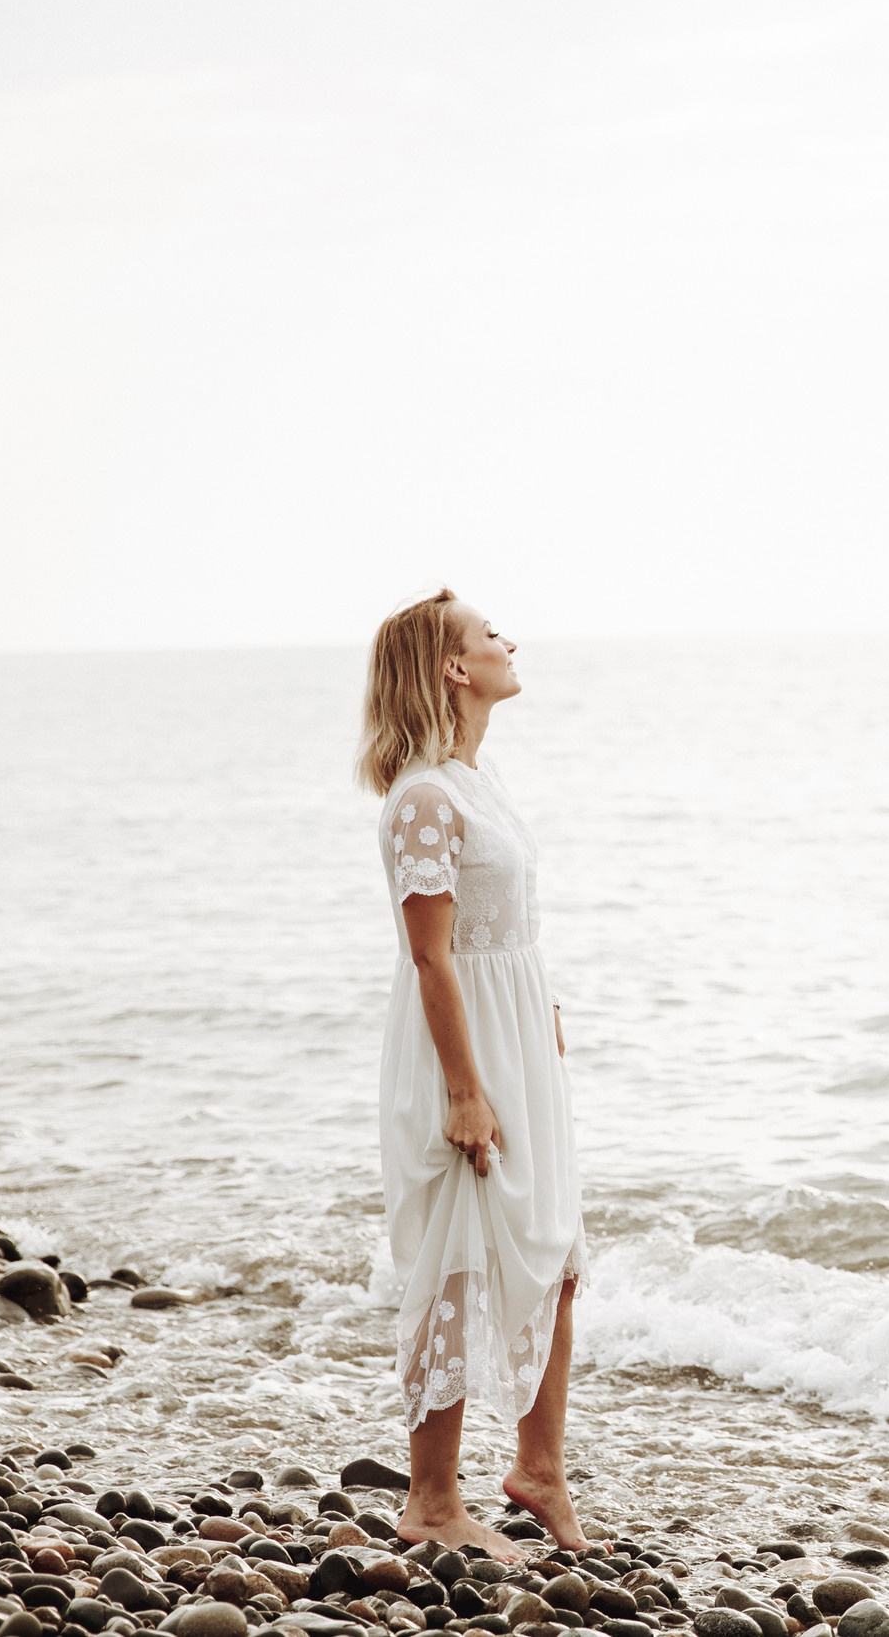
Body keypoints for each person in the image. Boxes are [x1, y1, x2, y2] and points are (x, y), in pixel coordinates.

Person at [358, 589, 594, 1559]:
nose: (509, 641)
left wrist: (542, 1011)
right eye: (491, 634)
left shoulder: (479, 779)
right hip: (458, 1049)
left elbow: (502, 927)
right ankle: (430, 1500)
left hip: (516, 1038)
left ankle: (540, 1470)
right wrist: (464, 1089)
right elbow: (431, 955)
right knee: (455, 1259)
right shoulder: (425, 798)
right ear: (454, 668)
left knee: (555, 1248)